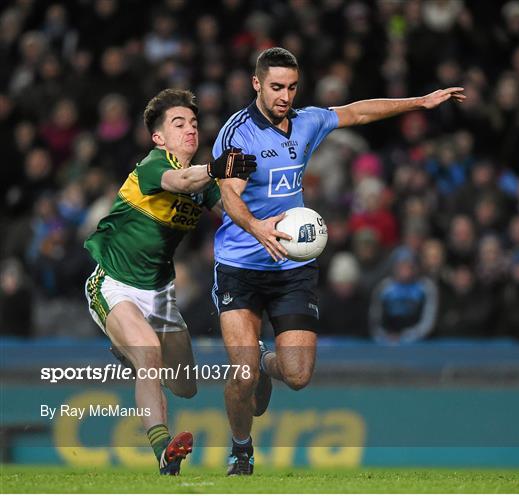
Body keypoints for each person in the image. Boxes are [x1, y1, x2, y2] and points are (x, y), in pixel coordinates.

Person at [211, 47, 465, 475]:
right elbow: (228, 192)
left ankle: (263, 364)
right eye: (276, 87)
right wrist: (256, 227)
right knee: (241, 374)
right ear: (256, 84)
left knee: (298, 374)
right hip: (240, 263)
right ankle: (241, 449)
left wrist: (419, 102)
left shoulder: (306, 122)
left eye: (291, 87)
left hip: (291, 266)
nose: (285, 96)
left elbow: (359, 113)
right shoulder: (239, 134)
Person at [83, 88, 256, 475]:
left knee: (184, 386)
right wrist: (215, 169)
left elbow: (235, 215)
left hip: (160, 294)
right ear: (159, 137)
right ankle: (164, 452)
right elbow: (180, 181)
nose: (190, 130)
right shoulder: (151, 166)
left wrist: (267, 223)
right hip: (114, 283)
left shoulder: (205, 184)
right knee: (147, 355)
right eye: (179, 124)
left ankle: (130, 354)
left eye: (194, 123)